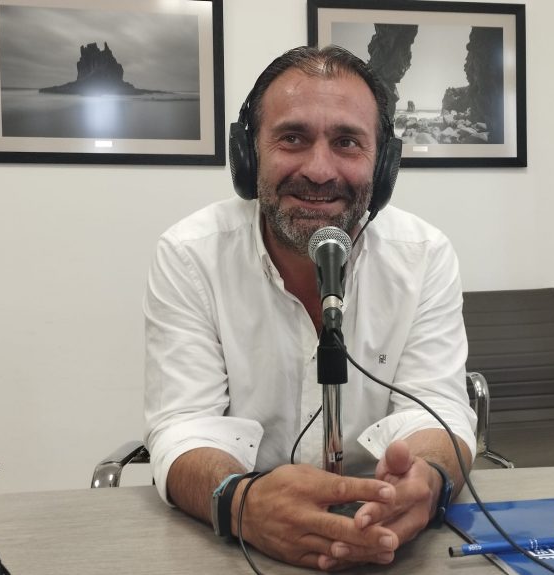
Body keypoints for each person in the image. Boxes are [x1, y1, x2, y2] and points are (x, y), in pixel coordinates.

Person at [143, 45, 476, 571]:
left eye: (347, 142)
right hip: (238, 547)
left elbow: (438, 406)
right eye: (293, 138)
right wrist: (243, 502)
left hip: (385, 545)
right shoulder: (190, 255)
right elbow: (183, 427)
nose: (320, 171)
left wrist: (425, 480)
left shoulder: (424, 255)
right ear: (247, 155)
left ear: (383, 165)